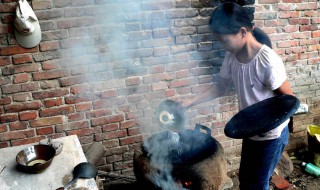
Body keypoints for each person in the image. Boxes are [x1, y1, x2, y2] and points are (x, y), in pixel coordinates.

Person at [178, 2, 293, 190]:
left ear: (242, 32)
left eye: (224, 40)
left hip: (270, 135)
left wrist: (265, 125)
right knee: (247, 180)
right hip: (250, 131)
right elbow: (219, 88)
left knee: (257, 184)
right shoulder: (232, 56)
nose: (223, 46)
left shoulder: (268, 62)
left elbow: (288, 100)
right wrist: (189, 102)